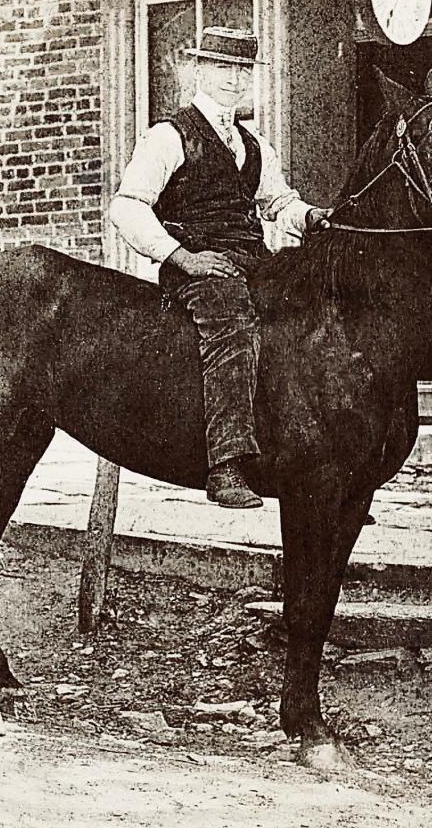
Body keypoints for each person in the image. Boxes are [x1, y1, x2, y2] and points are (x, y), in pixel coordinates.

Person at [109, 26, 330, 509]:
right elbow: (126, 207)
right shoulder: (169, 136)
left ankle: (307, 462)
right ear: (199, 71)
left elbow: (278, 202)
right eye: (223, 68)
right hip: (199, 268)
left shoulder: (254, 146)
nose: (233, 80)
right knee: (233, 326)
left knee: (305, 316)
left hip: (252, 262)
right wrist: (181, 257)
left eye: (242, 71)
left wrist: (310, 216)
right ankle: (226, 465)